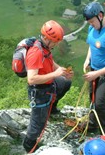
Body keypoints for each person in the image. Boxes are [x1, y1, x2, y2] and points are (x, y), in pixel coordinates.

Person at [23, 20, 74, 153]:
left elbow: (49, 60)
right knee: (38, 124)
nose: (56, 44)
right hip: (39, 92)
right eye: (54, 41)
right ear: (46, 37)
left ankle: (52, 107)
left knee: (65, 82)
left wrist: (61, 71)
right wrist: (55, 74)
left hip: (49, 85)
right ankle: (29, 146)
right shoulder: (36, 52)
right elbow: (31, 79)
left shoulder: (45, 47)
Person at [83, 1, 105, 135]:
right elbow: (91, 44)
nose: (91, 25)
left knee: (100, 102)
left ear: (100, 15)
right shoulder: (92, 28)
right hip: (94, 69)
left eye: (92, 21)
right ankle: (92, 126)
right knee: (91, 98)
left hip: (104, 73)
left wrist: (97, 73)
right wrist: (88, 59)